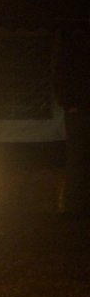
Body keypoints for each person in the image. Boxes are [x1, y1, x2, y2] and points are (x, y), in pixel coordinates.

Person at [54, 28, 90, 218]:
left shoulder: (72, 47)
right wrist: (69, 104)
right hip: (79, 111)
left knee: (77, 160)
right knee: (77, 159)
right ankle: (75, 208)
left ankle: (76, 207)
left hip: (78, 110)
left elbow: (61, 77)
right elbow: (61, 77)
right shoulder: (73, 47)